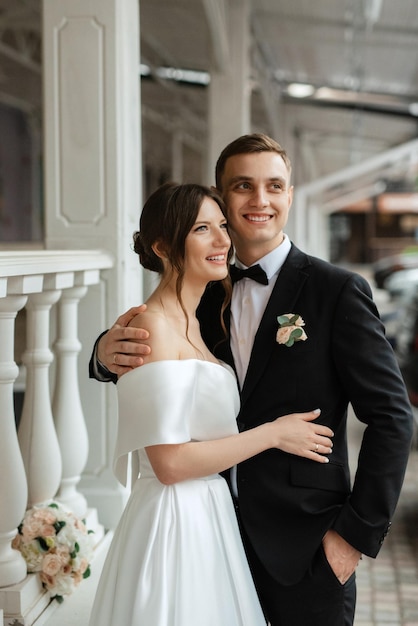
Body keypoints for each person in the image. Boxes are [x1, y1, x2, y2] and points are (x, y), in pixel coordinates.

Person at [89, 135, 414, 626]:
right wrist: (100, 354)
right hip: (208, 541)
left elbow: (393, 418)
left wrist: (353, 537)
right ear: (224, 197)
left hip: (307, 550)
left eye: (274, 186)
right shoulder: (203, 294)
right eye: (243, 186)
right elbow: (165, 371)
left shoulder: (337, 291)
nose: (260, 200)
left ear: (288, 195)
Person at [88, 181, 334, 626]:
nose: (223, 240)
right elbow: (169, 464)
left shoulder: (204, 319)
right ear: (163, 246)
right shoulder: (152, 327)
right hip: (173, 523)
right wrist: (274, 433)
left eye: (222, 225)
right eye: (203, 228)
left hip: (212, 515)